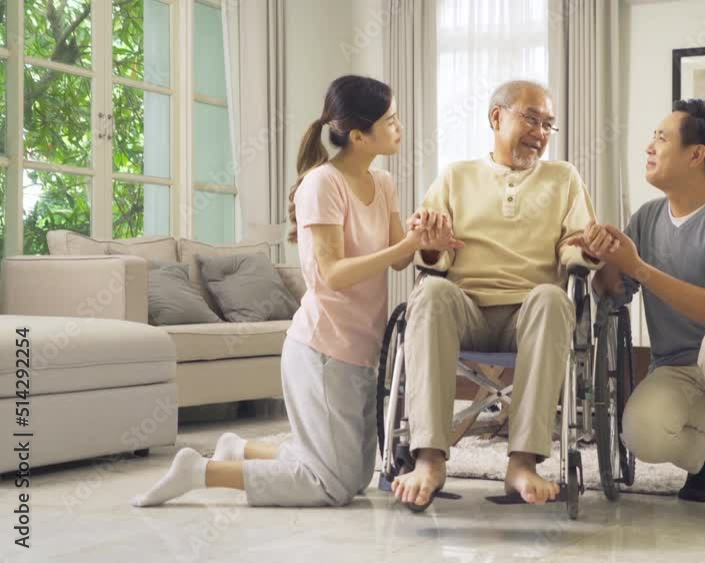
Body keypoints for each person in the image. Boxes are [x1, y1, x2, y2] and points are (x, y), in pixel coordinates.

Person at [131, 75, 460, 508]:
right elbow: (331, 275)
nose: (399, 127)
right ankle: (201, 470)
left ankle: (240, 450)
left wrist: (424, 239)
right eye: (391, 120)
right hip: (322, 349)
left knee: (355, 476)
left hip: (362, 348)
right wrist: (406, 245)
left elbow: (400, 258)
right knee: (330, 485)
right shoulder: (322, 185)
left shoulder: (383, 184)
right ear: (360, 136)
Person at [572, 99, 705, 528]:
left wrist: (638, 265)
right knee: (641, 434)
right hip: (678, 369)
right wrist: (604, 263)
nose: (650, 146)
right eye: (653, 136)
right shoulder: (647, 217)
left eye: (661, 137)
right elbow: (617, 296)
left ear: (696, 155)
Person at [389, 80, 603, 511]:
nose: (540, 133)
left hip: (529, 313)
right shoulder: (456, 176)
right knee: (430, 292)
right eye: (531, 119)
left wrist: (586, 249)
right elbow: (434, 258)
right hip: (466, 308)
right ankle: (429, 458)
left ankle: (522, 462)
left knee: (552, 296)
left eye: (548, 125)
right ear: (496, 117)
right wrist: (431, 242)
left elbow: (574, 244)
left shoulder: (564, 178)